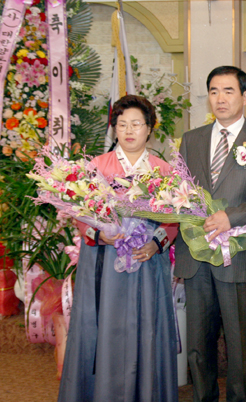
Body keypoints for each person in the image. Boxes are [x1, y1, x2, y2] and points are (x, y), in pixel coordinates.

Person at [58, 95, 179, 402]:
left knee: (146, 329)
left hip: (146, 261)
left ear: (149, 128)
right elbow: (79, 213)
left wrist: (155, 243)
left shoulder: (163, 170)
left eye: (136, 124)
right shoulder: (97, 166)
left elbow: (175, 220)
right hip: (104, 260)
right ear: (114, 128)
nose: (129, 131)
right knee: (103, 328)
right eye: (122, 124)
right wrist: (101, 234)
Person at [174, 66, 246, 402]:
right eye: (214, 91)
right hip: (196, 255)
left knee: (240, 343)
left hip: (238, 254)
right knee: (198, 343)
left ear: (245, 96)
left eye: (228, 91)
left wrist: (230, 218)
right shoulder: (190, 139)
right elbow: (179, 190)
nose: (220, 98)